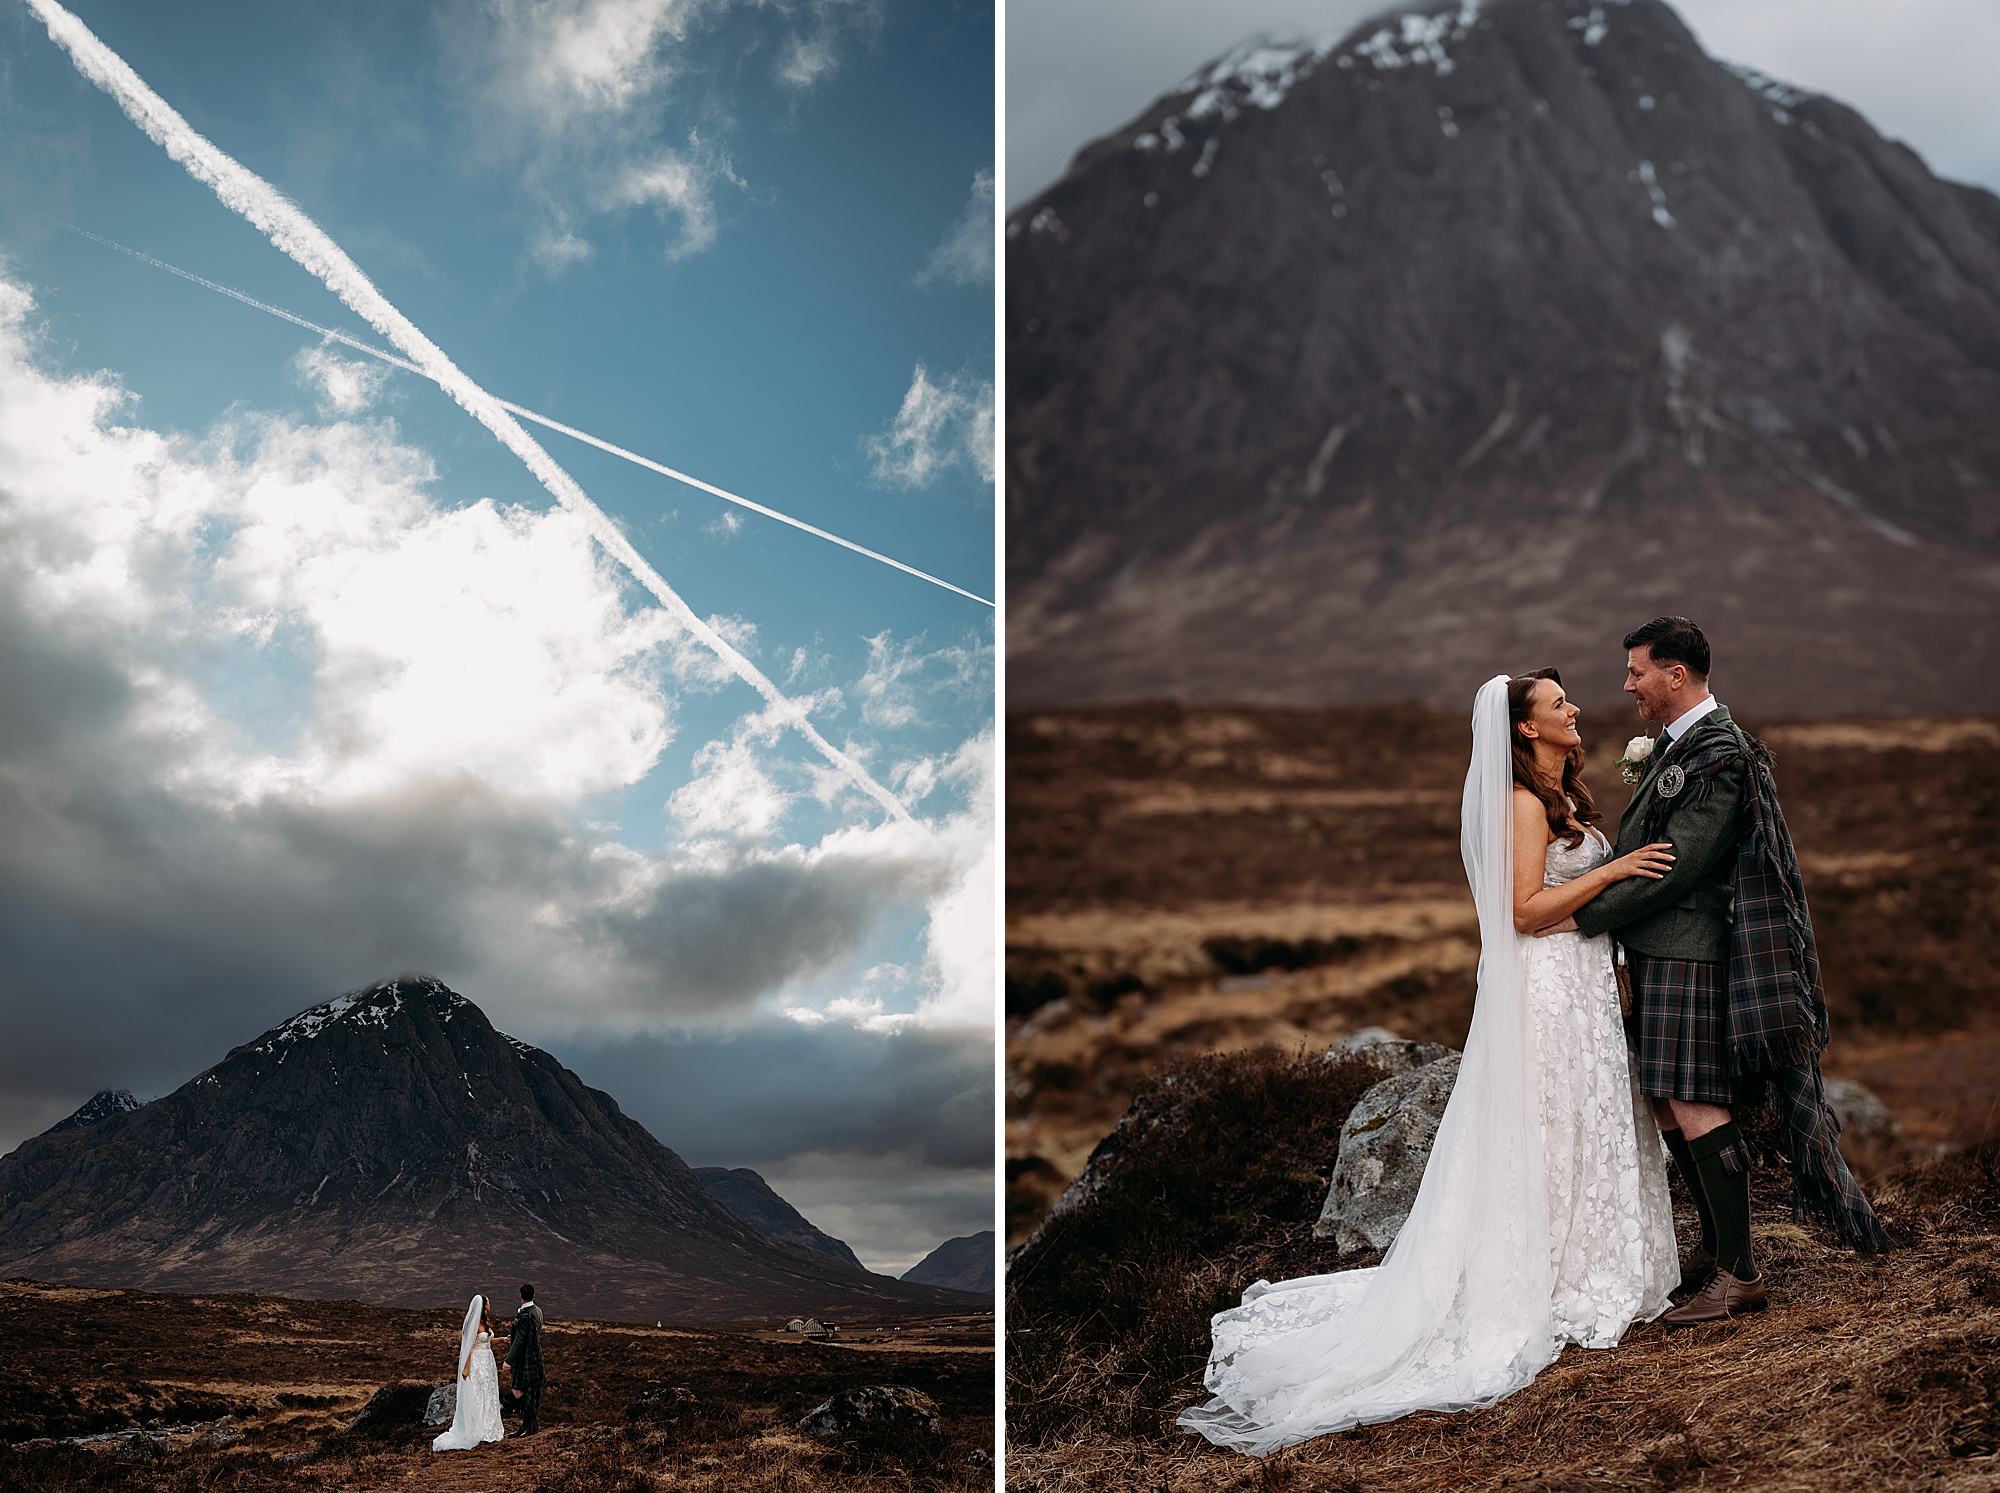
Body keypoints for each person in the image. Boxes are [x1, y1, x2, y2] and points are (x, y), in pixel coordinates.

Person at [1179, 670, 1680, 1454]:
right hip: (1547, 990)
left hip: (1581, 987)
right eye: (1557, 704)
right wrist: (1615, 869)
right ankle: (1543, 1275)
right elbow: (1521, 912)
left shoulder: (1564, 797)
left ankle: (1588, 1256)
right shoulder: (1519, 803)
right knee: (1547, 1124)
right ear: (1524, 729)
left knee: (1584, 1119)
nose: (1574, 707)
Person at [1563, 617, 1886, 1324]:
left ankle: (1740, 1272)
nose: (1627, 685)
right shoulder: (1681, 745)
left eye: (1638, 671)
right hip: (1658, 948)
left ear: (1676, 675)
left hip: (1689, 948)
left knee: (1695, 1100)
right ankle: (1716, 1247)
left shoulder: (1720, 752)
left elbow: (1679, 864)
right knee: (1665, 1099)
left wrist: (1578, 915)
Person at [430, 1293, 504, 1451]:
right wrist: (466, 1367)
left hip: (487, 1361)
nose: (490, 1305)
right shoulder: (475, 1324)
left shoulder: (484, 1322)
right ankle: (477, 1426)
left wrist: (502, 1339)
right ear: (483, 1306)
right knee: (477, 1392)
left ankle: (487, 1423)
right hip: (477, 1362)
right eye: (488, 1303)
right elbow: (470, 1346)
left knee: (487, 1392)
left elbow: (487, 1342)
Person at [496, 1283, 545, 1435]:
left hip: (524, 1358)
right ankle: (528, 1425)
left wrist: (508, 1360)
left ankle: (531, 1423)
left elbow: (521, 1340)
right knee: (529, 1390)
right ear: (534, 1295)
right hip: (534, 1355)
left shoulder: (524, 1315)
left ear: (520, 1295)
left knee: (517, 1388)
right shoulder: (537, 1311)